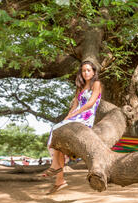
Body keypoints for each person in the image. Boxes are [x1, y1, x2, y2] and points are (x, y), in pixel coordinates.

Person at [42, 60, 102, 195]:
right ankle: (59, 179)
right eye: (83, 70)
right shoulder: (80, 87)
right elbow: (74, 105)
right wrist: (67, 118)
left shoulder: (96, 84)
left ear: (93, 72)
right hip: (76, 115)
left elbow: (90, 103)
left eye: (88, 70)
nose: (86, 73)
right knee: (56, 130)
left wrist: (74, 115)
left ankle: (55, 167)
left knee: (57, 132)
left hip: (86, 116)